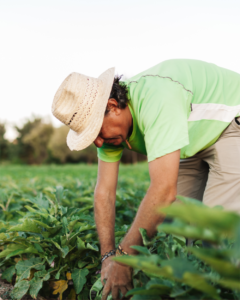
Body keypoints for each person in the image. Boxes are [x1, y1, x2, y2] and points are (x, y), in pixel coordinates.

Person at [52, 59, 240, 300]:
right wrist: (108, 256)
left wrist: (125, 257)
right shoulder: (110, 132)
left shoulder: (157, 99)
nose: (97, 142)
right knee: (180, 228)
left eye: (97, 132)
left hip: (231, 123)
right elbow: (104, 193)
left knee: (218, 231)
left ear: (113, 106)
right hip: (193, 139)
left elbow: (163, 190)